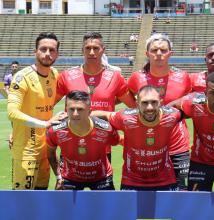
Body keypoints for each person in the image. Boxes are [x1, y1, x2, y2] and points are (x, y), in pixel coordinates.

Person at [56, 32, 135, 163]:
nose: (91, 52)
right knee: (65, 184)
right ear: (82, 50)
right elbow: (47, 105)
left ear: (103, 50)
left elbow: (134, 108)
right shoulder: (66, 76)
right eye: (88, 48)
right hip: (70, 146)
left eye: (96, 48)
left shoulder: (115, 77)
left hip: (102, 147)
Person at [127, 34, 191, 190]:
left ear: (170, 53)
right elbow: (128, 105)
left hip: (177, 147)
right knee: (143, 196)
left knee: (182, 195)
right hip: (147, 148)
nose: (159, 54)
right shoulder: (136, 78)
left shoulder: (184, 77)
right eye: (154, 50)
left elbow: (192, 104)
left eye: (163, 50)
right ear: (147, 53)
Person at [93, 85, 181, 191]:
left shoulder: (172, 115)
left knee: (168, 208)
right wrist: (75, 117)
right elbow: (106, 115)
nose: (150, 107)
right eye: (144, 103)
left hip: (165, 179)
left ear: (161, 102)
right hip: (132, 180)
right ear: (137, 103)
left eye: (154, 102)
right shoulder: (125, 118)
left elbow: (188, 109)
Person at [7, 32, 63, 190]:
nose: (47, 53)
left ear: (57, 53)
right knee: (23, 201)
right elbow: (12, 112)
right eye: (43, 49)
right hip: (26, 150)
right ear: (35, 51)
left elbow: (49, 100)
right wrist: (45, 123)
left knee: (41, 195)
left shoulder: (54, 74)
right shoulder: (22, 77)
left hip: (45, 148)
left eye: (52, 50)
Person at [47, 91, 120, 190]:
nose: (75, 114)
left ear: (90, 112)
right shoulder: (55, 131)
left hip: (102, 177)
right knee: (63, 205)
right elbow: (50, 153)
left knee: (108, 205)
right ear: (66, 110)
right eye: (71, 109)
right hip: (70, 177)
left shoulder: (106, 129)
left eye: (80, 109)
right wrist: (58, 177)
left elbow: (116, 141)